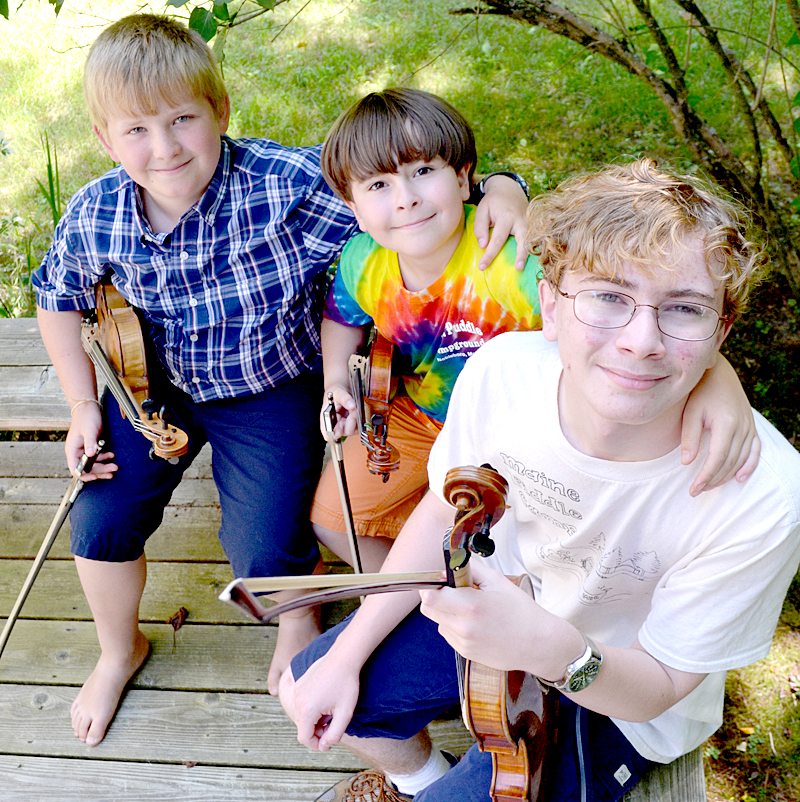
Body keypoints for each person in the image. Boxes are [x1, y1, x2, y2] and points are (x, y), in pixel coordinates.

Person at [31, 14, 528, 748]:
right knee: (101, 521)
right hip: (156, 390)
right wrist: (82, 407)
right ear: (106, 142)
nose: (164, 147)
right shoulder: (97, 213)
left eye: (182, 120)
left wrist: (505, 188)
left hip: (270, 384)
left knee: (265, 548)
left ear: (221, 114)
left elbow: (401, 197)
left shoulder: (284, 184)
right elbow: (57, 297)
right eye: (136, 131)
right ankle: (117, 650)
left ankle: (296, 614)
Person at [279, 159, 800, 802]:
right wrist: (346, 651)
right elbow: (444, 510)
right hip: (507, 602)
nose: (641, 341)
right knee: (312, 680)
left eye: (684, 309)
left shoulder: (763, 495)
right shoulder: (501, 373)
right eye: (608, 297)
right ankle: (423, 783)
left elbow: (661, 685)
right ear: (548, 305)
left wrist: (552, 650)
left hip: (623, 700)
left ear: (720, 331)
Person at [312, 88, 758, 575]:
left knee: (522, 554)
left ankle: (492, 602)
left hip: (517, 428)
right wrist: (336, 379)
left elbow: (615, 319)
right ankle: (428, 605)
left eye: (422, 171)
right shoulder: (363, 262)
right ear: (352, 207)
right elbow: (341, 317)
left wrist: (720, 379)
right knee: (336, 522)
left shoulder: (507, 261)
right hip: (423, 416)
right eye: (378, 185)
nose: (406, 199)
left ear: (463, 179)